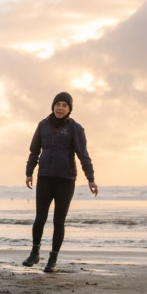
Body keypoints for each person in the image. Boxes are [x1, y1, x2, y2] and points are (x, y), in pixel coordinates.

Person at [23, 91, 98, 273]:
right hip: (45, 178)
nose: (60, 108)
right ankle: (35, 252)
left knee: (59, 221)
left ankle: (53, 259)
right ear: (53, 106)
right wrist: (29, 172)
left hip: (66, 180)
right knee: (40, 218)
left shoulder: (75, 128)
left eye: (64, 105)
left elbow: (83, 155)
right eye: (58, 104)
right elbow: (34, 151)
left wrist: (90, 179)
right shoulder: (42, 125)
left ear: (69, 109)